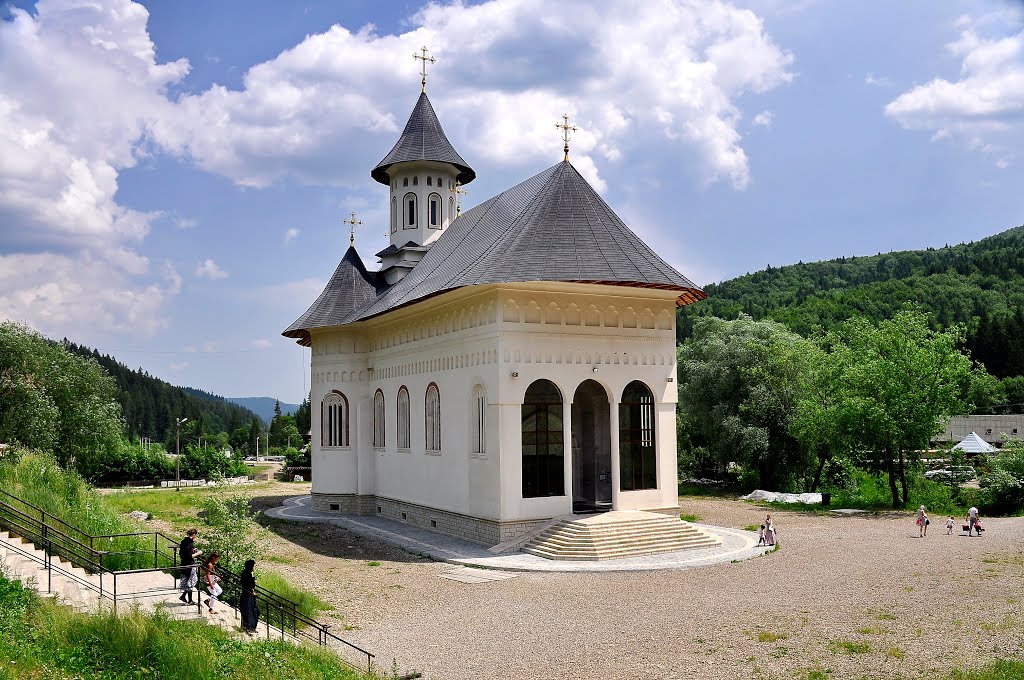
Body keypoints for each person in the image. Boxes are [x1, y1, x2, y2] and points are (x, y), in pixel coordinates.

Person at [178, 529, 201, 604]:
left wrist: (193, 550)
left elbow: (183, 553)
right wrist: (198, 553)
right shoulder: (189, 543)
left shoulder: (184, 541)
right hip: (189, 565)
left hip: (184, 564)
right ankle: (188, 599)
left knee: (189, 582)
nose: (196, 536)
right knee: (191, 582)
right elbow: (189, 556)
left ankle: (186, 597)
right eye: (196, 534)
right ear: (194, 534)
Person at [240, 559, 260, 635]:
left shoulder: (244, 572)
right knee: (253, 611)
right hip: (248, 594)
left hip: (246, 593)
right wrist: (253, 591)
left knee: (248, 611)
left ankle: (246, 626)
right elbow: (251, 584)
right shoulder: (248, 573)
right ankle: (250, 627)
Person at [202, 551, 222, 615]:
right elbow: (208, 575)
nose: (217, 560)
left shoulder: (211, 564)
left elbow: (211, 574)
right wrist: (210, 584)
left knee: (219, 591)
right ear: (214, 557)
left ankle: (208, 600)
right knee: (214, 594)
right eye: (217, 558)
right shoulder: (209, 565)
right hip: (209, 582)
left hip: (212, 580)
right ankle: (211, 609)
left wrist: (216, 577)